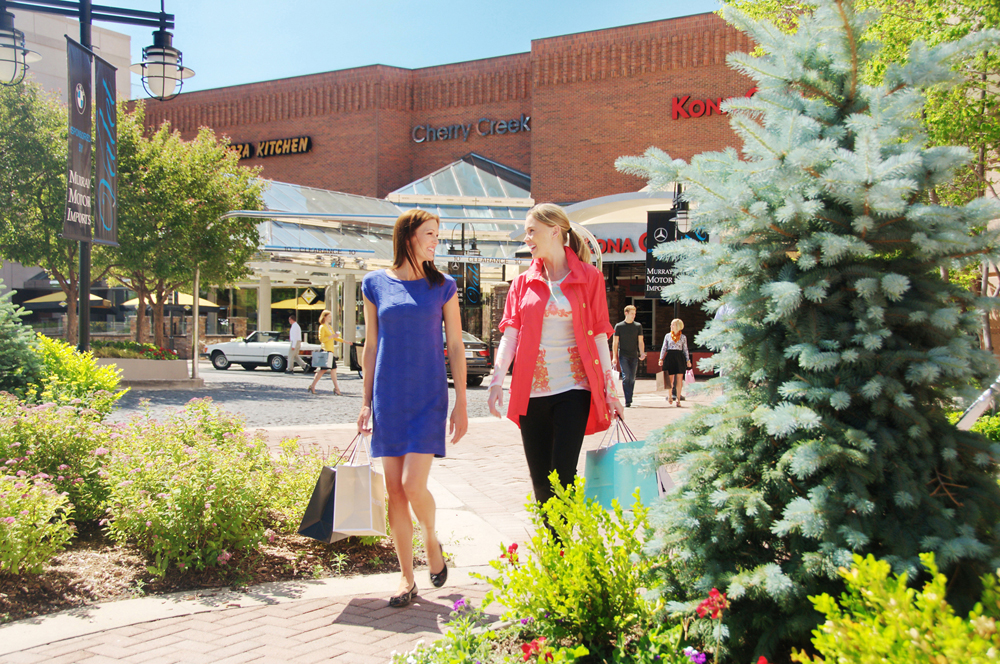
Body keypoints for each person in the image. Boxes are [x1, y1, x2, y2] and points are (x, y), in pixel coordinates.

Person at [357, 209, 468, 609]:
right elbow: (371, 346)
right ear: (408, 236)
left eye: (438, 234)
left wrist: (462, 403)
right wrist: (366, 401)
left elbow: (455, 345)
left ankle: (431, 540)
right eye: (430, 234)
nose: (436, 241)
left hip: (428, 396)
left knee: (412, 485)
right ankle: (406, 577)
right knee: (394, 492)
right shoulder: (373, 284)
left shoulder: (444, 286)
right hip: (388, 396)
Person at [487, 203, 624, 505]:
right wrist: (496, 381)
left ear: (555, 231)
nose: (527, 239)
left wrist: (612, 391)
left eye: (532, 231)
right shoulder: (522, 283)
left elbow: (600, 337)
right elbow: (510, 336)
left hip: (574, 390)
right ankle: (553, 550)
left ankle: (562, 549)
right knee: (540, 483)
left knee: (562, 476)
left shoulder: (590, 278)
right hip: (531, 394)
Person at [612, 305, 646, 408]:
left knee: (632, 378)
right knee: (626, 377)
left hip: (634, 355)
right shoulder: (619, 326)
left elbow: (640, 341)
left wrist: (642, 352)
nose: (633, 316)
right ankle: (628, 400)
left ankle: (629, 397)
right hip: (623, 355)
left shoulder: (638, 326)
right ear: (626, 313)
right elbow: (615, 343)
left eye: (634, 314)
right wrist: (614, 357)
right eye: (632, 313)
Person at [308, 309, 343, 395]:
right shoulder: (322, 327)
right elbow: (321, 339)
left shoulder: (329, 327)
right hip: (326, 350)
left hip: (330, 351)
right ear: (325, 317)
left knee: (326, 370)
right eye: (329, 316)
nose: (330, 318)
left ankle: (313, 386)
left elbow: (335, 338)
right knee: (328, 370)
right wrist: (332, 336)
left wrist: (346, 341)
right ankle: (336, 389)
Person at [659, 318, 691, 407]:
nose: (671, 326)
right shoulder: (667, 336)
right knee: (670, 379)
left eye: (673, 324)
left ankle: (678, 399)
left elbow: (685, 349)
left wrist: (688, 360)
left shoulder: (683, 337)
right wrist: (661, 358)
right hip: (670, 356)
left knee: (679, 379)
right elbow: (664, 347)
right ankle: (669, 395)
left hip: (679, 357)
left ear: (678, 326)